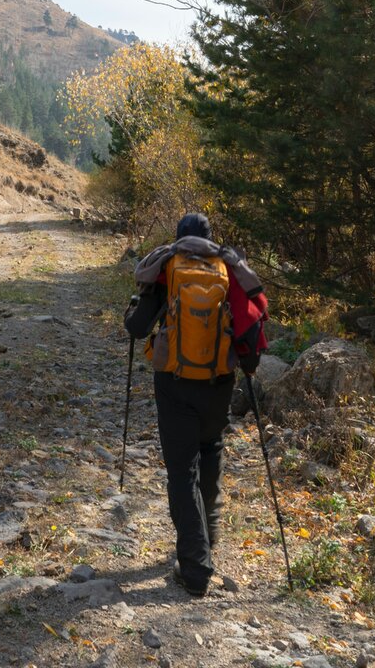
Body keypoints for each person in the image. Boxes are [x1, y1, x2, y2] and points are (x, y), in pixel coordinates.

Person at [126, 212, 268, 598]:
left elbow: (138, 328)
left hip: (174, 383)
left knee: (181, 470)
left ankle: (195, 569)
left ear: (179, 237)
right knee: (211, 451)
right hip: (218, 384)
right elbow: (252, 332)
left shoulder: (167, 265)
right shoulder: (228, 267)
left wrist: (132, 313)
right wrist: (248, 366)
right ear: (209, 238)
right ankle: (209, 539)